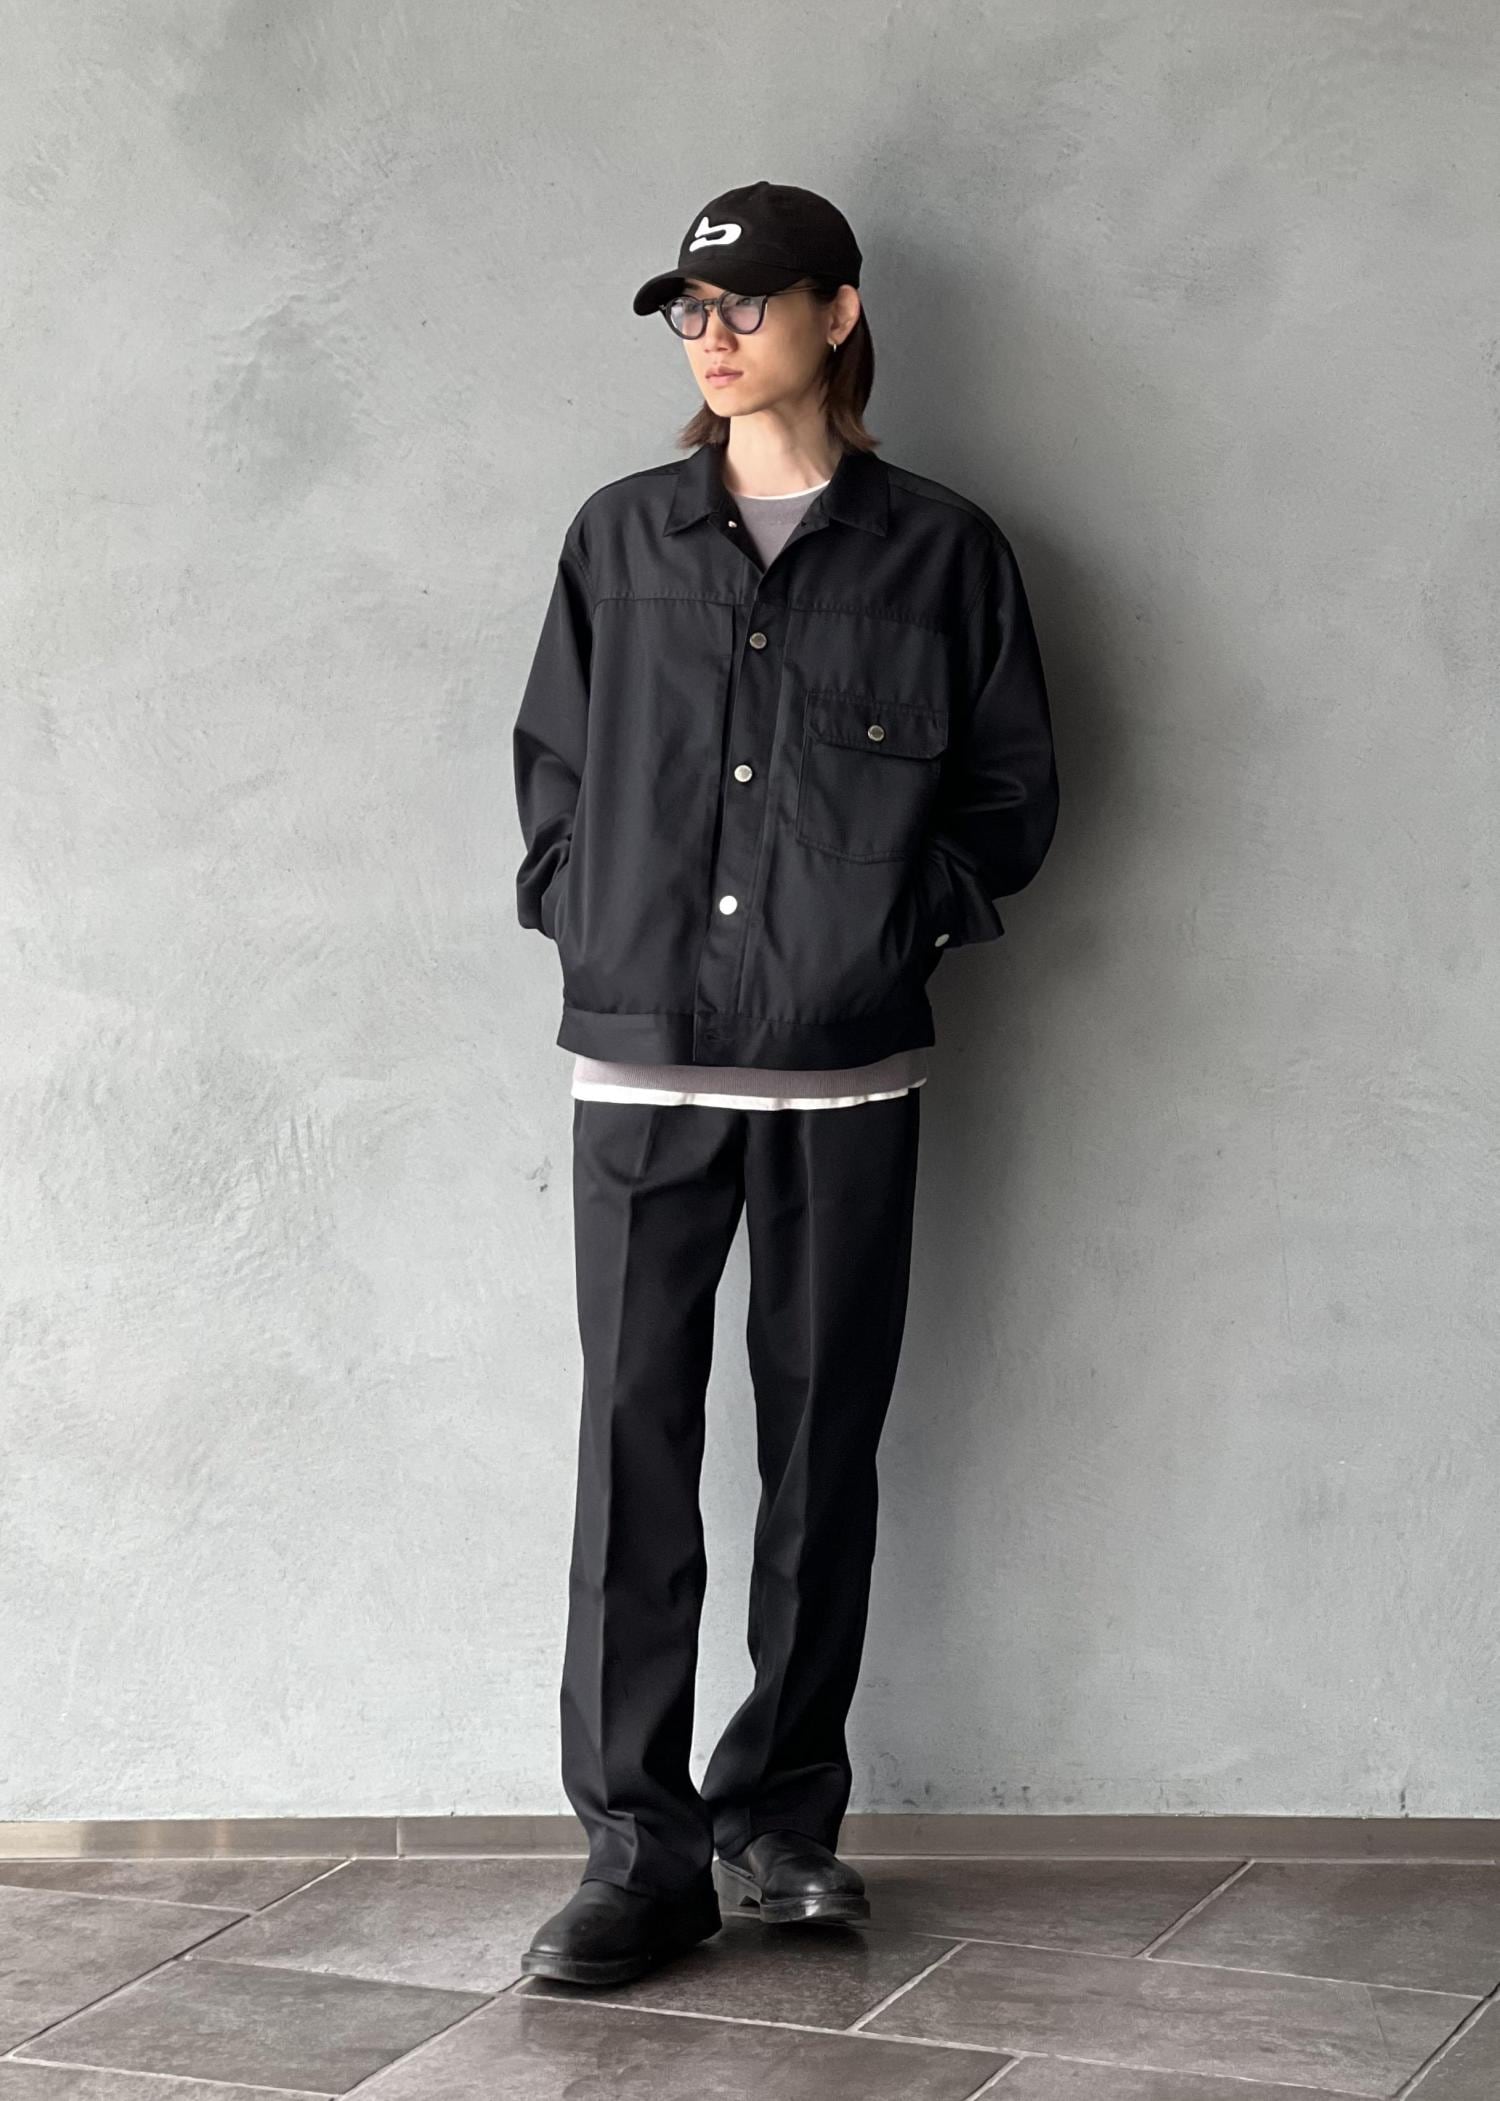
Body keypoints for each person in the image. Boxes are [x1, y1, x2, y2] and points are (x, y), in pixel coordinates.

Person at [511, 180, 1059, 1987]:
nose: (716, 334)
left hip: (845, 1073)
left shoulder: (942, 554)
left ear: (838, 311)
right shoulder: (619, 539)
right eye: (693, 309)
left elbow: (1009, 795)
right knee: (633, 1452)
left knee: (824, 1455)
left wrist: (889, 931)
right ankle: (636, 1855)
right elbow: (553, 776)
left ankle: (782, 1822)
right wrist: (590, 916)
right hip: (641, 1066)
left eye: (749, 302)